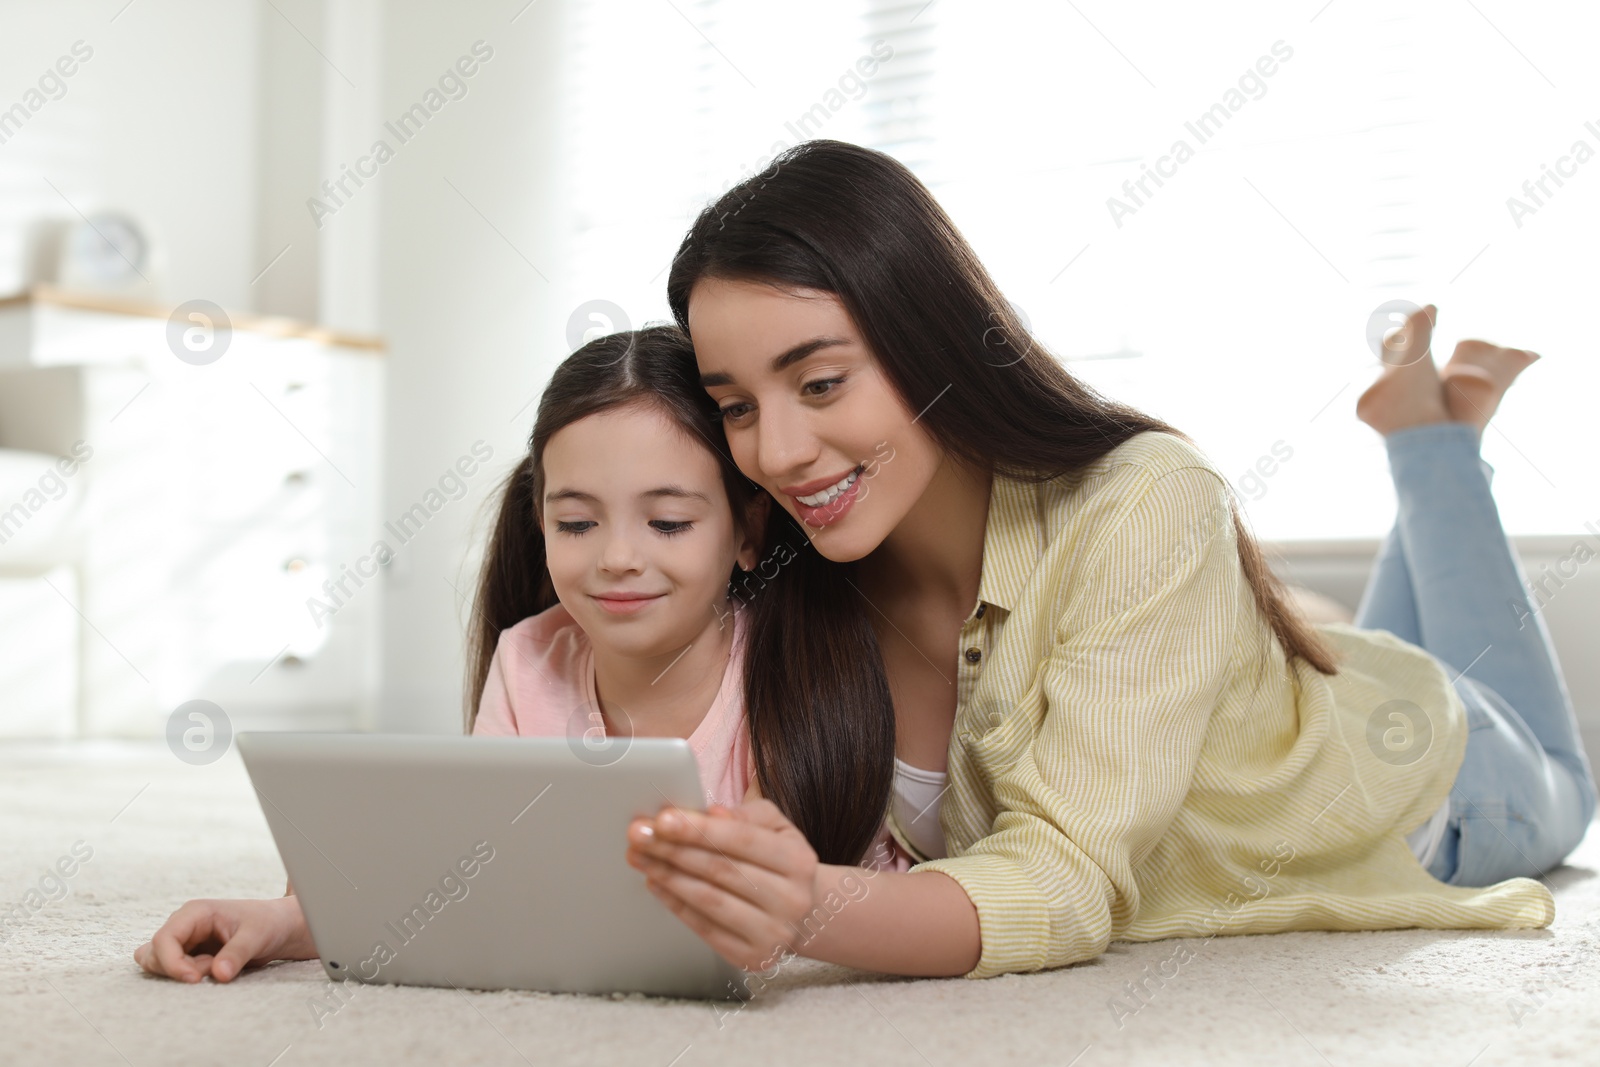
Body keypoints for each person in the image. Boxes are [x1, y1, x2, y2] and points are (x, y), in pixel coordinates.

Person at [623, 139, 1598, 981]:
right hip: (1305, 691)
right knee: (1351, 652)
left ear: (929, 340)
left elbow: (1063, 880)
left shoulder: (1143, 493)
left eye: (821, 381)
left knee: (1565, 775)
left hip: (1424, 775)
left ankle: (1431, 442)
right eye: (737, 406)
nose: (778, 450)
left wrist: (813, 907)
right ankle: (1430, 422)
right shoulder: (797, 573)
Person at [134, 327, 906, 984]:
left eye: (668, 522)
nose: (618, 557)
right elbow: (469, 883)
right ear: (540, 522)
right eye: (577, 524)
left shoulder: (787, 662)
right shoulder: (529, 656)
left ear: (746, 533)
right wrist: (281, 923)